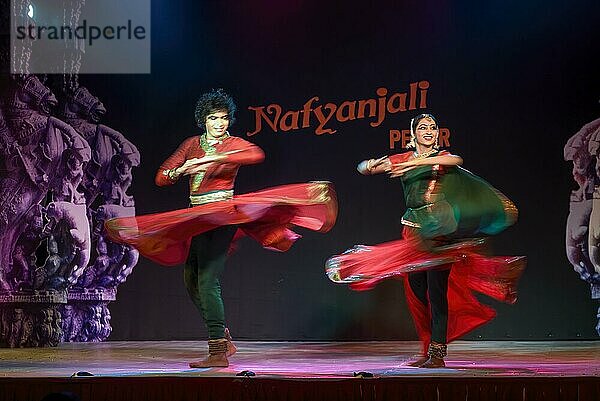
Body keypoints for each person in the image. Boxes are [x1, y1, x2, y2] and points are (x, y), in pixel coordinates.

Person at [106, 89, 337, 368]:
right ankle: (223, 338)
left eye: (224, 118)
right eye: (214, 118)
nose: (219, 123)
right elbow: (161, 177)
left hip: (222, 215)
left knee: (207, 281)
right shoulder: (191, 144)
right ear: (203, 120)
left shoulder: (233, 144)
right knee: (191, 280)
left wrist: (210, 160)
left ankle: (217, 351)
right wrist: (181, 170)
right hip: (197, 217)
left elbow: (254, 154)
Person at [326, 113, 525, 368]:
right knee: (417, 295)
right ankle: (426, 348)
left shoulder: (440, 159)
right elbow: (364, 167)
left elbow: (456, 159)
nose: (429, 131)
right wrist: (370, 165)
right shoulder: (402, 158)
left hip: (439, 229)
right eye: (423, 127)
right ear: (414, 134)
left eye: (433, 127)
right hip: (413, 231)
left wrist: (411, 166)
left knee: (437, 292)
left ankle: (438, 354)